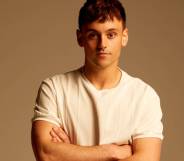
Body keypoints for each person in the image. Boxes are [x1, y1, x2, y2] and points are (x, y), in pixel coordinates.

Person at [31, 0, 164, 161]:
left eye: (111, 35)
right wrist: (110, 152)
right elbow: (47, 154)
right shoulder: (54, 89)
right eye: (93, 35)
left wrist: (71, 153)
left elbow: (148, 158)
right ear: (80, 38)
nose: (102, 44)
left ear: (124, 37)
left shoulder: (144, 96)